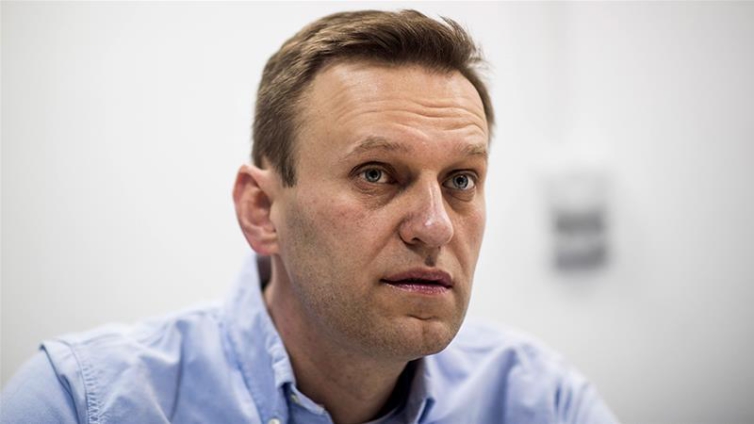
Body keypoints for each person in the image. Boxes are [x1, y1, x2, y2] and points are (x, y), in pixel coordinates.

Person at [1, 10, 618, 424]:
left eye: (461, 180)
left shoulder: (538, 401)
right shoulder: (85, 403)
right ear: (261, 210)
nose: (435, 226)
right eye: (375, 174)